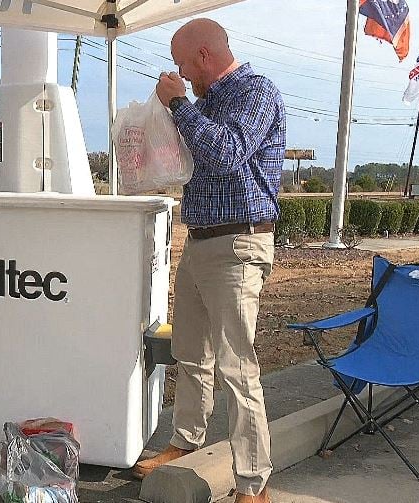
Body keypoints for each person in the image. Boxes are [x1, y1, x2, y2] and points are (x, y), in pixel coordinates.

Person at [131, 19, 285, 503]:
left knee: (238, 368)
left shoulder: (254, 92)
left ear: (203, 55)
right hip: (201, 243)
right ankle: (185, 442)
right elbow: (190, 155)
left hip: (238, 245)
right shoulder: (208, 103)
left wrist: (177, 104)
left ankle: (252, 484)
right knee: (191, 354)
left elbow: (226, 154)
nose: (179, 73)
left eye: (182, 64)